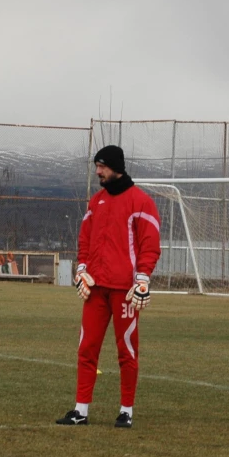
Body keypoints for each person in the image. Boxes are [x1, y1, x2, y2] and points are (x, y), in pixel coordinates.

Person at [56, 145, 160, 429]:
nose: (98, 171)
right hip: (96, 289)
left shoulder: (141, 201)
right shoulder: (96, 201)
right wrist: (81, 269)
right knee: (86, 348)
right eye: (96, 166)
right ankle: (80, 410)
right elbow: (85, 239)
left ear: (116, 167)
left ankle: (126, 411)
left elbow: (150, 245)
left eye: (102, 166)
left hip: (124, 290)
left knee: (127, 350)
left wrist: (143, 278)